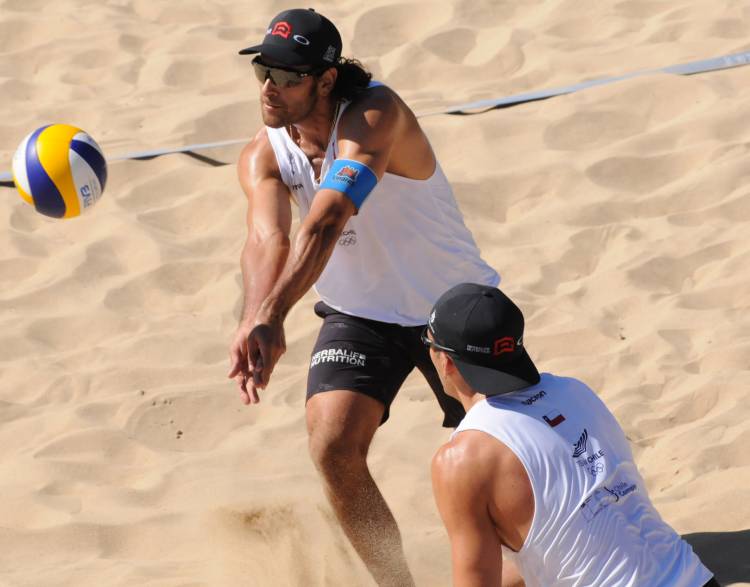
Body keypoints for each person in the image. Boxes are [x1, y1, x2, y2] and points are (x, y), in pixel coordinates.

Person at [227, 9, 500, 586]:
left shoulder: (376, 116)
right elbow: (265, 238)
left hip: (450, 306)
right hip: (359, 314)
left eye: (287, 76)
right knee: (331, 446)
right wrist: (254, 318)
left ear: (326, 81)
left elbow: (325, 220)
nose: (271, 88)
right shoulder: (265, 151)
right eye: (263, 72)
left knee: (510, 448)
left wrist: (277, 315)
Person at [425, 282, 719, 587]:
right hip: (696, 578)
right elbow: (558, 547)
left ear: (445, 361)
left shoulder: (462, 459)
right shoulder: (576, 392)